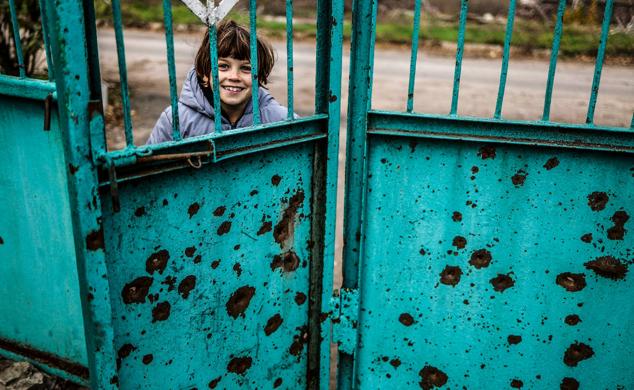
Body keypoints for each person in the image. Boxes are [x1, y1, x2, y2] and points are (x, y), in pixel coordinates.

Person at [147, 20, 291, 144]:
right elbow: (150, 171)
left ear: (259, 77)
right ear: (204, 73)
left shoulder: (280, 119)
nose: (234, 76)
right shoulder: (176, 120)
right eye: (223, 66)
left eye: (246, 68)